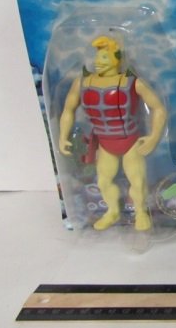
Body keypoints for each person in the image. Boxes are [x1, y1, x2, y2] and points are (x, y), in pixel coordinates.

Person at [58, 36, 167, 231]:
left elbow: (158, 108)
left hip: (130, 140)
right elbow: (68, 109)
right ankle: (113, 211)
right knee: (103, 181)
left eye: (104, 57)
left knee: (137, 180)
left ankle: (140, 212)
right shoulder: (83, 82)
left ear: (117, 59)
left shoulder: (132, 82)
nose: (98, 62)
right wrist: (62, 136)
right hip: (104, 141)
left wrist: (154, 137)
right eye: (97, 57)